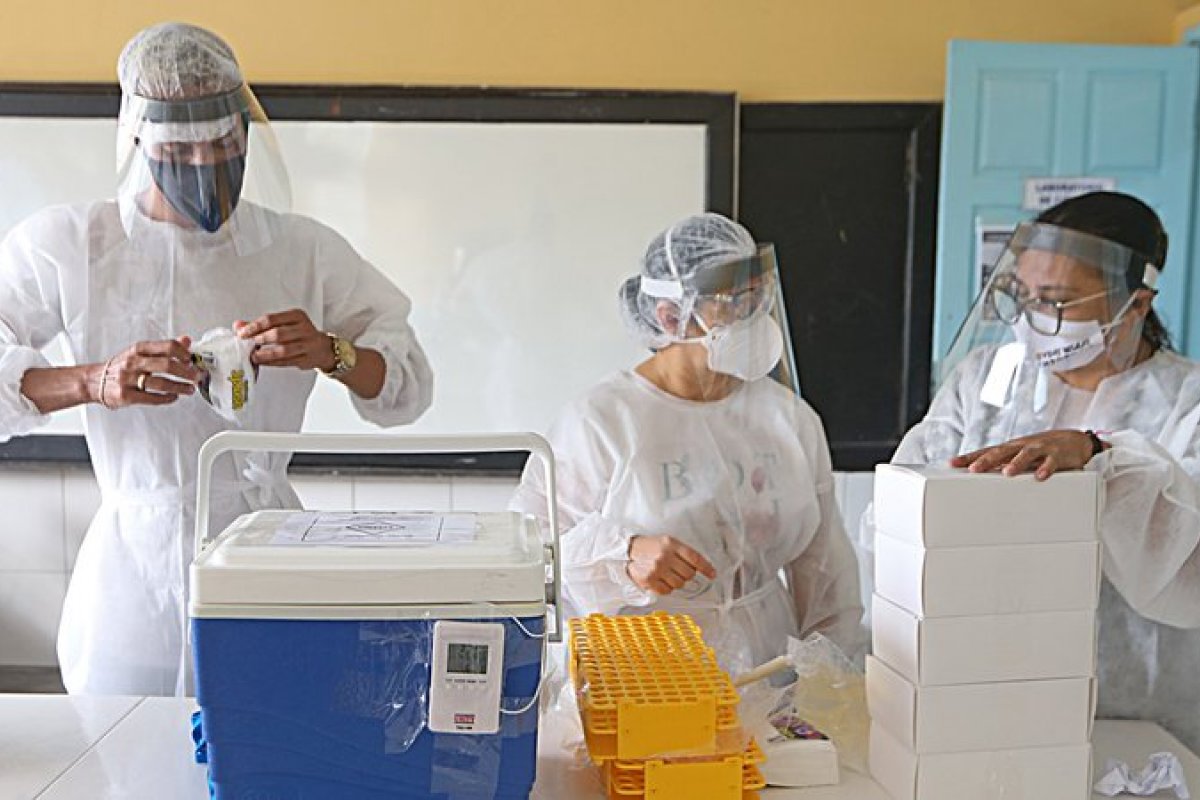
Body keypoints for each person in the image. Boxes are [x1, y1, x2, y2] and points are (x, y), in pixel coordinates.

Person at [0, 22, 433, 696]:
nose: (205, 164)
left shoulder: (303, 251)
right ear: (138, 139)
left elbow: (405, 385)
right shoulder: (71, 245)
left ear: (247, 128)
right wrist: (96, 380)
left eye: (224, 142)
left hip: (270, 560)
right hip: (133, 586)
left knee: (275, 749)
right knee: (130, 769)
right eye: (182, 147)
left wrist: (331, 351)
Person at [888, 191, 1200, 750]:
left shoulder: (1186, 401)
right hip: (980, 684)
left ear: (1137, 304)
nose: (1034, 320)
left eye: (1057, 303)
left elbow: (1185, 561)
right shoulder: (986, 379)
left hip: (1135, 702)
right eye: (1026, 297)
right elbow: (905, 505)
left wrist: (1103, 456)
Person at [513, 213, 862, 674]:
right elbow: (526, 549)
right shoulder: (602, 421)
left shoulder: (789, 419)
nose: (750, 317)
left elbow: (824, 574)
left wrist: (830, 684)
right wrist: (622, 554)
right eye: (729, 303)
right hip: (648, 681)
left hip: (768, 673)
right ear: (670, 316)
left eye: (755, 298)